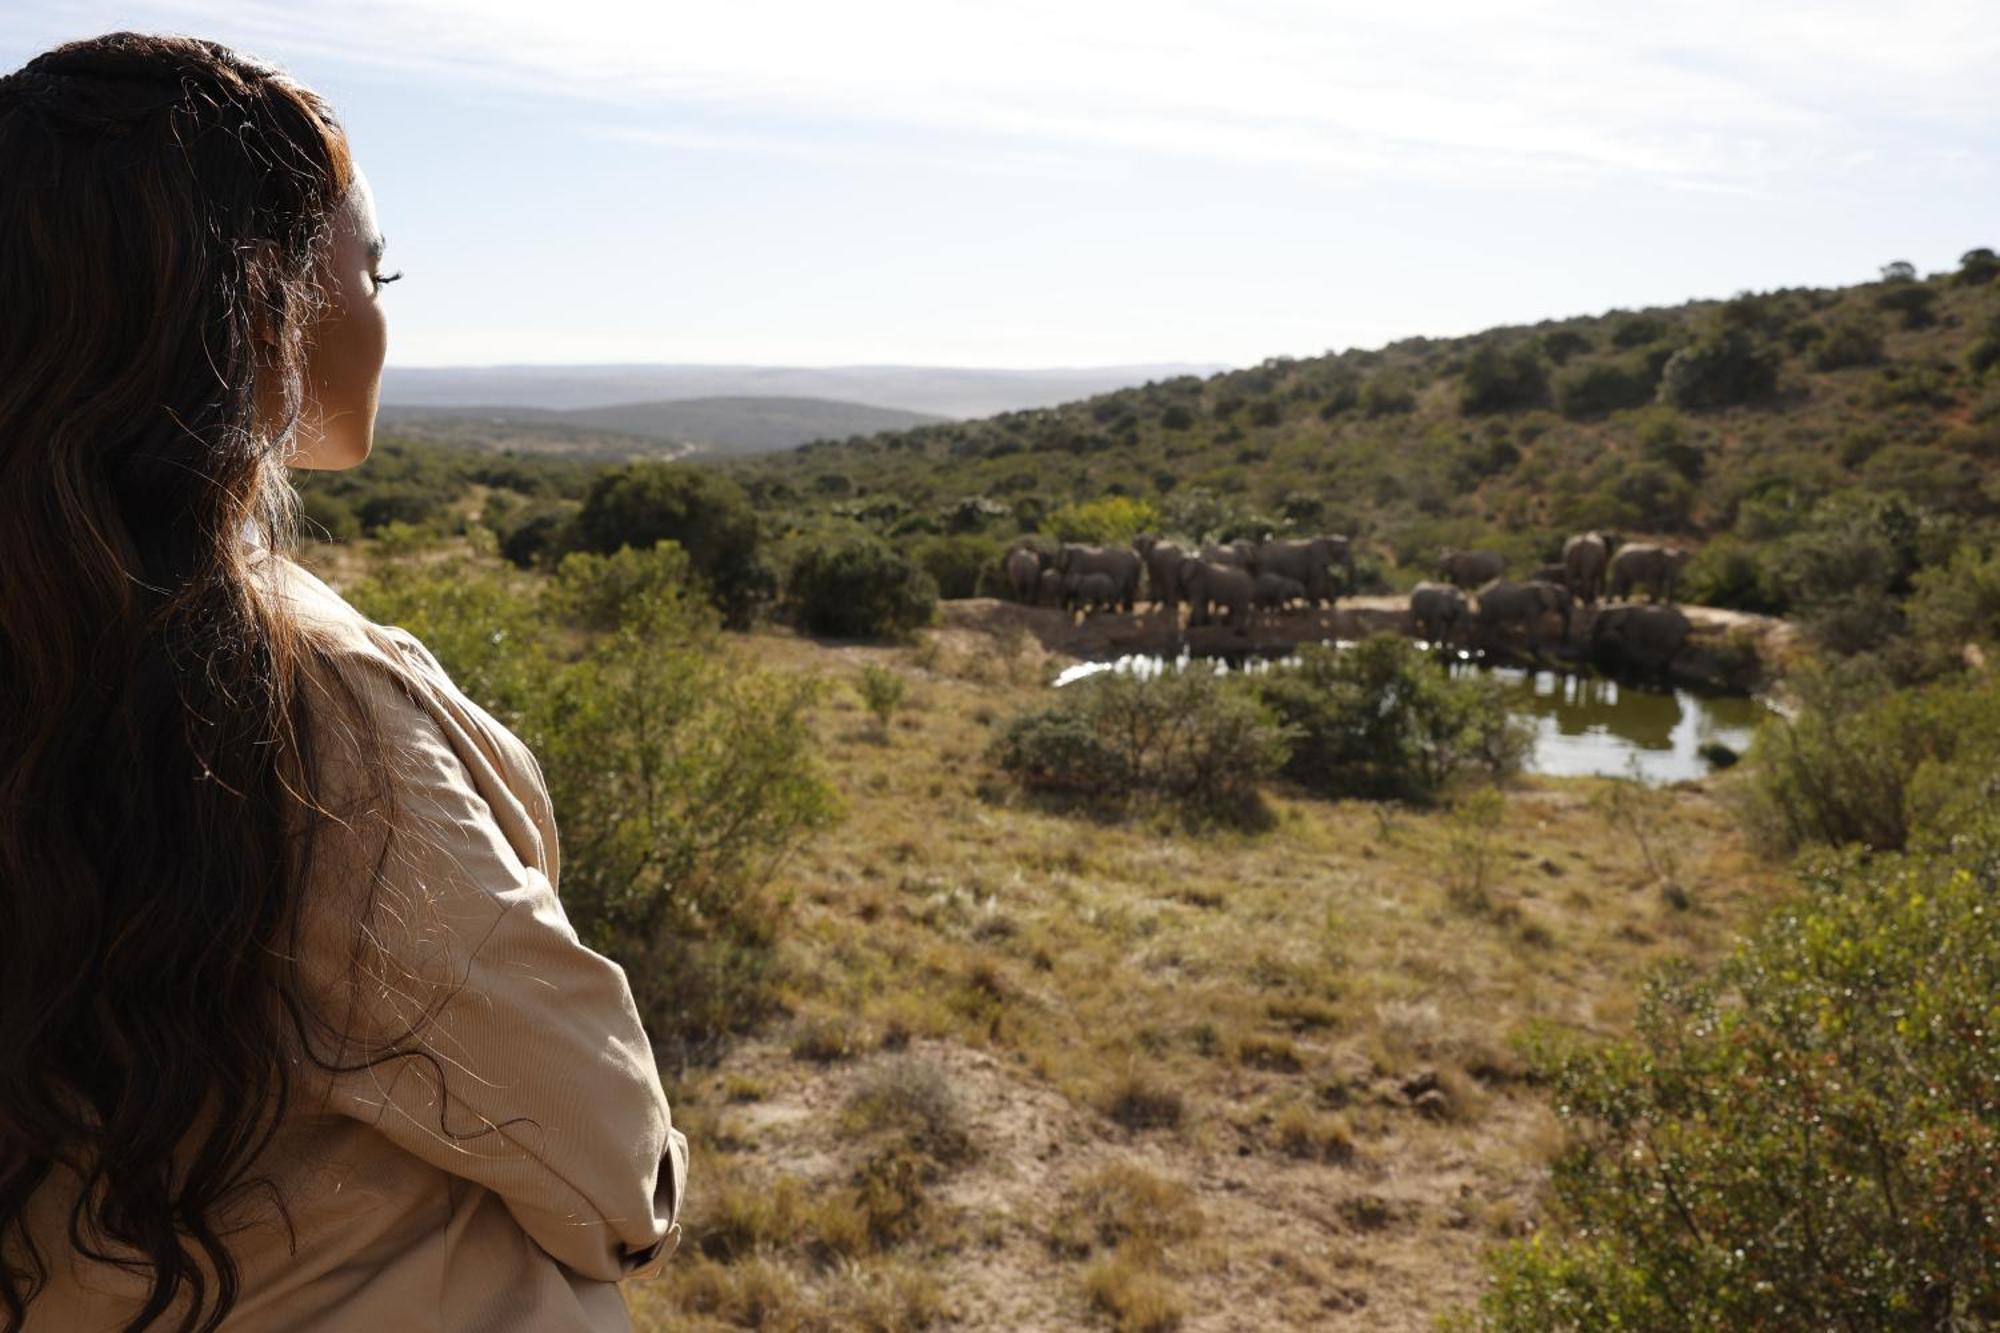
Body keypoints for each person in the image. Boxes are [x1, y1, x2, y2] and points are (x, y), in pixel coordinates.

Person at [0, 31, 685, 1333]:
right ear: (263, 306)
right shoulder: (303, 702)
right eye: (375, 271)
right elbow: (611, 1166)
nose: (382, 310)